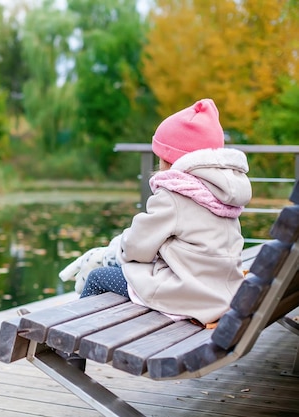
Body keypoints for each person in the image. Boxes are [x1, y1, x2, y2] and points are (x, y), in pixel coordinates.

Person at [60, 98, 252, 325]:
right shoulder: (224, 192)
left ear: (170, 160)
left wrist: (114, 254)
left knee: (97, 277)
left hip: (188, 294)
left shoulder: (175, 194)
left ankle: (71, 347)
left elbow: (136, 247)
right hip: (224, 292)